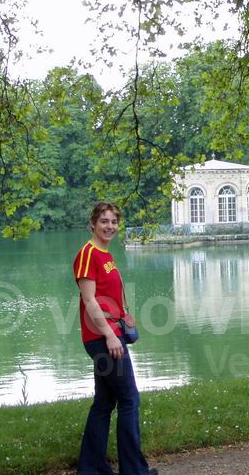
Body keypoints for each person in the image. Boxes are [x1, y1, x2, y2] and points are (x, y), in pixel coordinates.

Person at [74, 201, 158, 475]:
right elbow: (89, 300)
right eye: (104, 221)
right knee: (129, 399)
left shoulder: (105, 254)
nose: (109, 226)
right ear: (93, 224)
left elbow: (107, 294)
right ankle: (134, 471)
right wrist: (110, 334)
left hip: (110, 332)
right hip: (102, 338)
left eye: (113, 222)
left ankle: (92, 468)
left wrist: (125, 314)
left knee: (104, 402)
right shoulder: (88, 254)